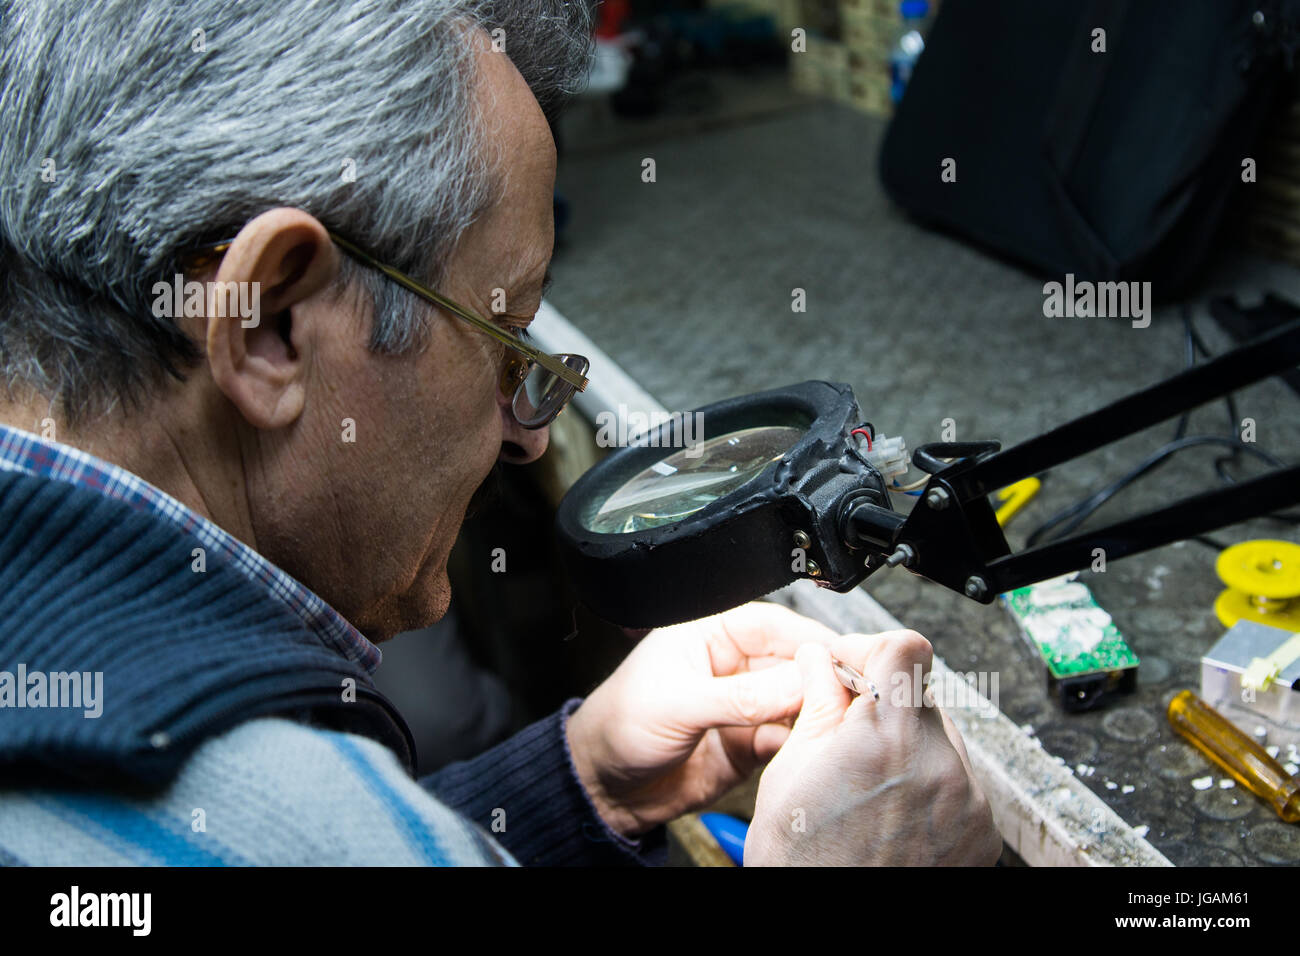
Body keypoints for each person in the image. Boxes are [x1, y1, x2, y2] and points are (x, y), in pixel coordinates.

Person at [0, 0, 1000, 866]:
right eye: (508, 334)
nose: (526, 439)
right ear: (271, 325)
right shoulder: (250, 811)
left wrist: (579, 786)